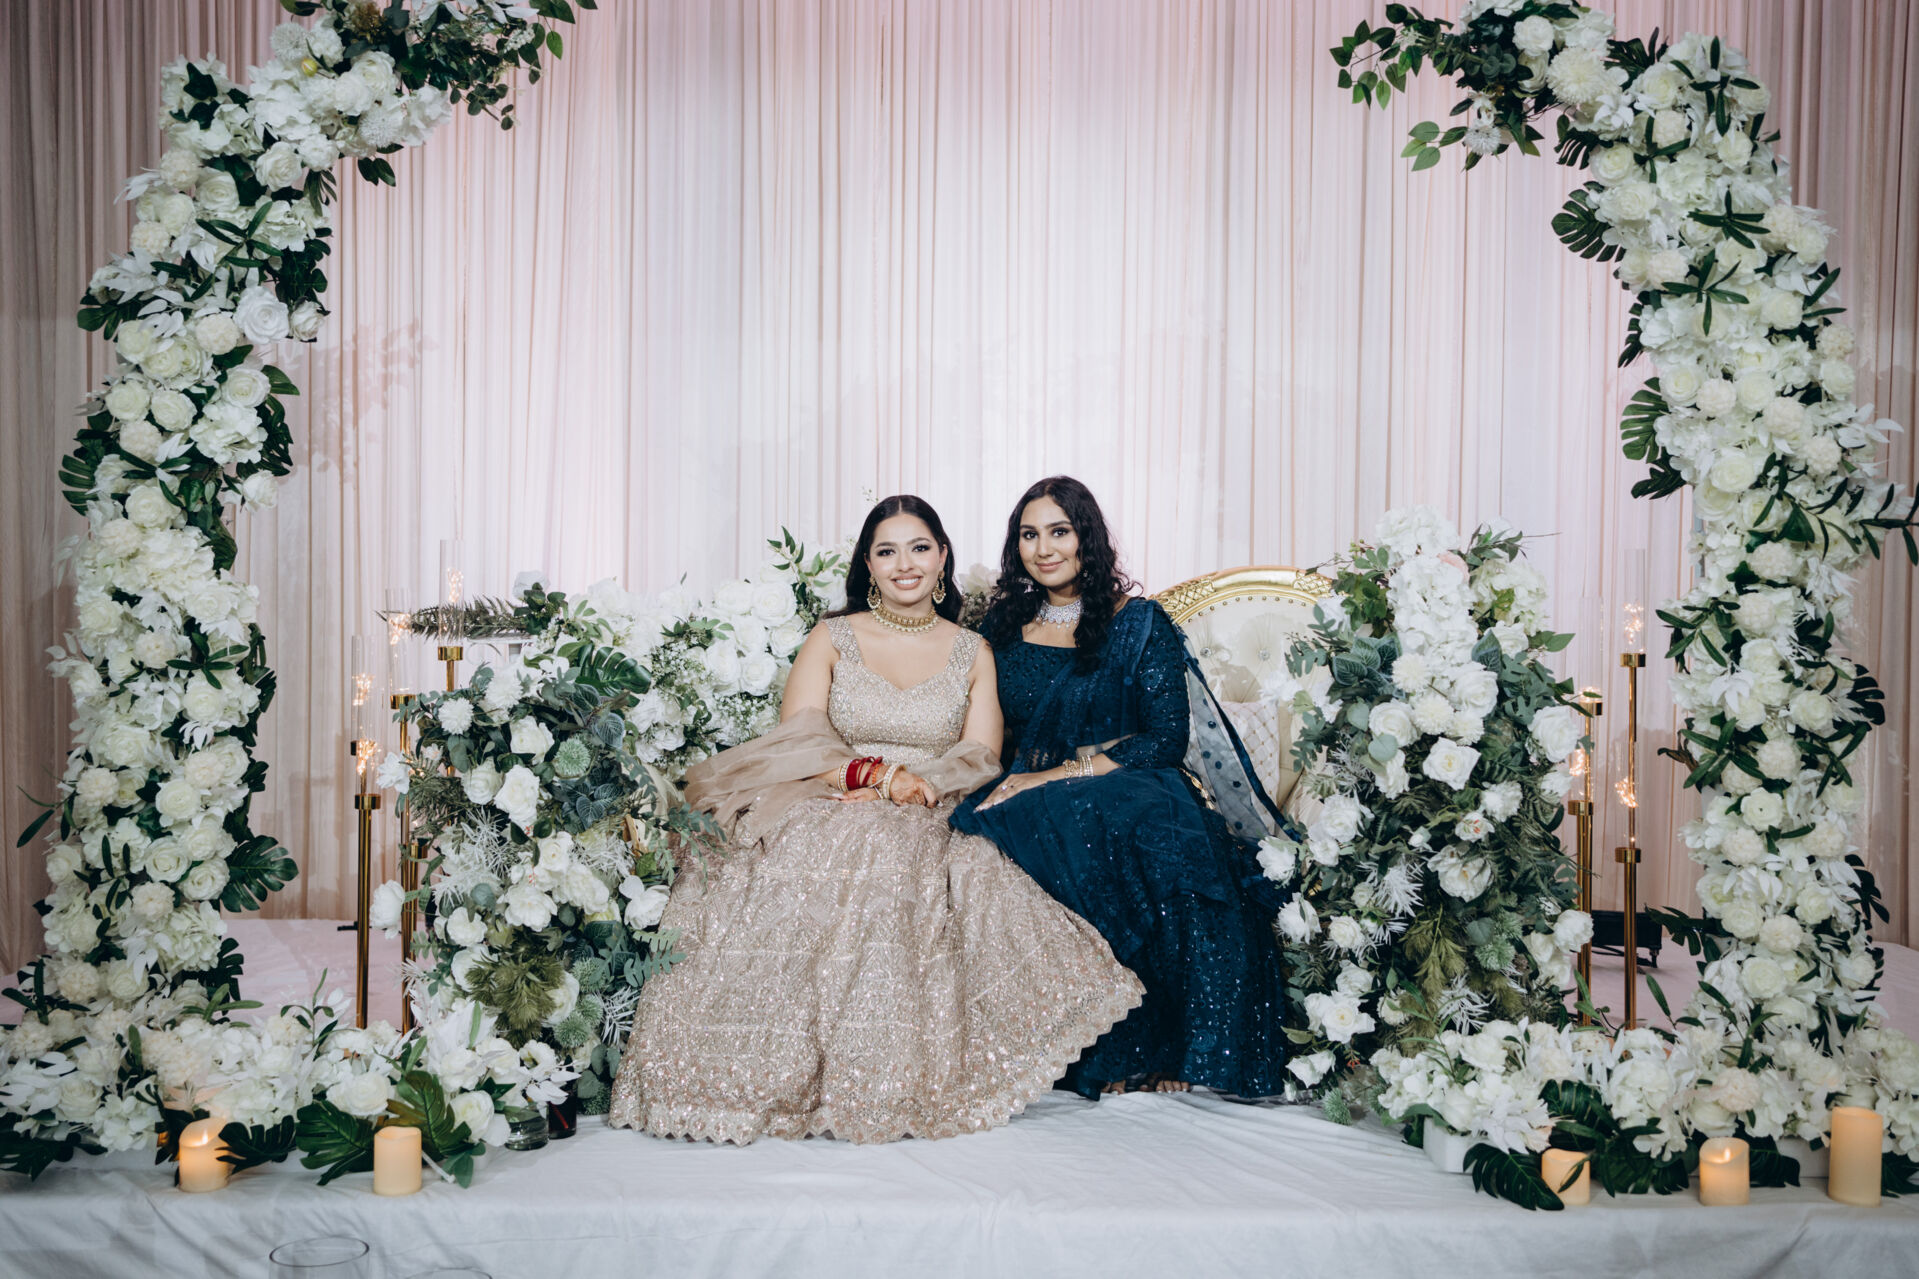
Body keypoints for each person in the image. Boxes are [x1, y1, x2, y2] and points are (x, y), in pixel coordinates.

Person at [609, 495, 1142, 1144]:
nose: (904, 564)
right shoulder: (832, 637)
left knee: (920, 859)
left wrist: (918, 785)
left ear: (942, 556)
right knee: (807, 851)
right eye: (887, 551)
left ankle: (887, 1080)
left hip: (929, 802)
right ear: (868, 564)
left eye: (918, 548)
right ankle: (759, 1080)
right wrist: (876, 777)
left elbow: (980, 754)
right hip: (830, 793)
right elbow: (799, 739)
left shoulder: (972, 649)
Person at [950, 476, 1290, 1099]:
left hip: (1127, 779)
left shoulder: (1138, 622)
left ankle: (1175, 1045)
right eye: (1029, 535)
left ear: (1087, 537)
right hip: (1024, 790)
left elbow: (1165, 738)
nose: (1044, 549)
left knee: (1150, 829)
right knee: (1004, 830)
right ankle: (1085, 1043)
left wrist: (1061, 773)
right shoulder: (1001, 627)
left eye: (1059, 531)